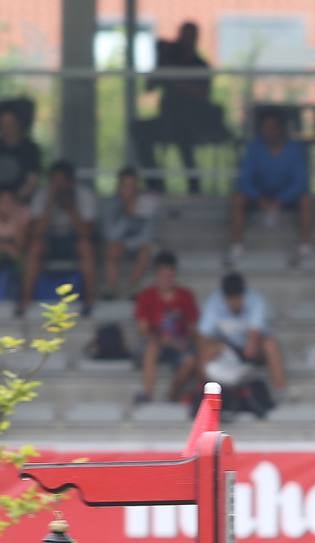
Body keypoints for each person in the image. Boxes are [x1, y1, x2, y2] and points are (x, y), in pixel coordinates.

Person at [133, 21, 216, 195]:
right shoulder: (169, 60)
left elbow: (204, 94)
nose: (186, 41)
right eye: (183, 36)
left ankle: (194, 186)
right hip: (167, 120)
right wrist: (161, 63)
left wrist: (175, 80)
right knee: (138, 129)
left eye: (190, 37)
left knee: (182, 132)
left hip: (194, 123)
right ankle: (155, 183)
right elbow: (149, 87)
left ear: (196, 39)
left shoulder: (200, 65)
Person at [228, 108, 313, 265]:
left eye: (273, 127)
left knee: (306, 200)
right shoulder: (254, 148)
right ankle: (237, 245)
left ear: (281, 129)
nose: (269, 132)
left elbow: (300, 182)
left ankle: (304, 245)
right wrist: (259, 199)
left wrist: (280, 200)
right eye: (265, 128)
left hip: (287, 198)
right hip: (259, 197)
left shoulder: (294, 149)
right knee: (238, 198)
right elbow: (245, 179)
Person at [20, 159, 97, 315]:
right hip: (50, 240)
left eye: (62, 181)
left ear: (71, 182)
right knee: (35, 247)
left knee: (85, 247)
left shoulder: (85, 196)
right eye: (55, 181)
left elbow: (86, 233)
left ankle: (90, 297)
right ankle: (26, 298)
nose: (58, 186)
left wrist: (70, 208)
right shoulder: (42, 196)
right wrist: (49, 206)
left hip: (74, 240)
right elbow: (36, 232)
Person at [198, 272, 287, 397]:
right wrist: (216, 349)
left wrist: (244, 356)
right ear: (225, 297)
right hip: (226, 349)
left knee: (271, 345)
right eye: (231, 299)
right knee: (205, 350)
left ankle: (281, 391)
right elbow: (204, 336)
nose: (235, 303)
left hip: (252, 349)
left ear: (243, 294)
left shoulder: (256, 300)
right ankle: (205, 393)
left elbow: (253, 339)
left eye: (238, 298)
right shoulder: (214, 302)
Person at [133, 250, 199, 404]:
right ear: (156, 275)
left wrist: (184, 341)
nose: (166, 280)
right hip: (155, 343)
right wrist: (163, 340)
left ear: (174, 274)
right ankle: (148, 394)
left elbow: (192, 327)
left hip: (178, 345)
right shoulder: (146, 296)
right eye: (162, 276)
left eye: (169, 275)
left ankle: (172, 395)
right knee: (151, 347)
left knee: (190, 361)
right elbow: (143, 330)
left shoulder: (185, 296)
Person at [103, 166, 159, 299]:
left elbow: (148, 235)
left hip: (137, 246)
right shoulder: (110, 204)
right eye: (125, 185)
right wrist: (127, 214)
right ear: (119, 186)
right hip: (116, 245)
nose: (129, 190)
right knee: (112, 248)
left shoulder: (147, 204)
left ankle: (133, 288)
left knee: (147, 250)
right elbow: (110, 235)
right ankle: (111, 289)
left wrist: (127, 244)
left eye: (132, 186)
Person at [0, 105, 41, 201]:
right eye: (3, 123)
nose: (7, 127)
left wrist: (15, 198)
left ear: (19, 123)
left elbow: (33, 180)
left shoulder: (31, 149)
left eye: (11, 123)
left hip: (21, 205)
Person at [0, 189, 30, 294]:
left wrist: (17, 223)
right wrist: (6, 247)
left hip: (14, 257)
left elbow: (22, 246)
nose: (6, 205)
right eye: (3, 202)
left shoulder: (20, 217)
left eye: (9, 202)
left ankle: (19, 296)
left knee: (23, 262)